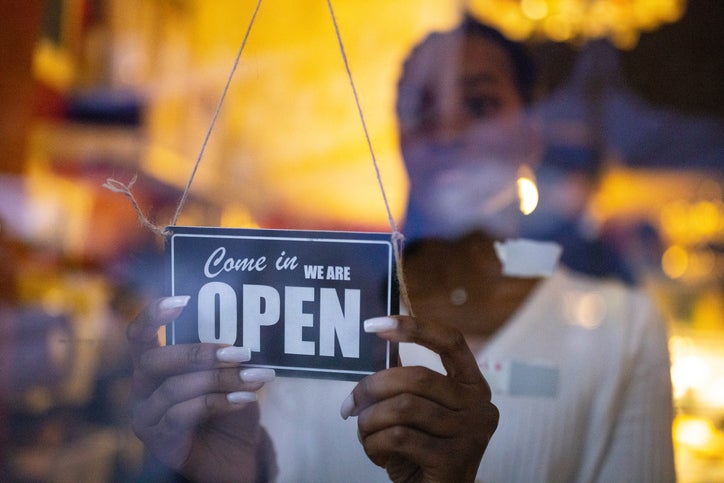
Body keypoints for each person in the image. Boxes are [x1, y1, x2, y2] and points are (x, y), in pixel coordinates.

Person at [127, 15, 675, 482]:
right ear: (398, 136)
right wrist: (236, 468)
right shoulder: (323, 311)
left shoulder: (620, 332)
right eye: (422, 108)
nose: (448, 129)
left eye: (480, 104)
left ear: (530, 136)